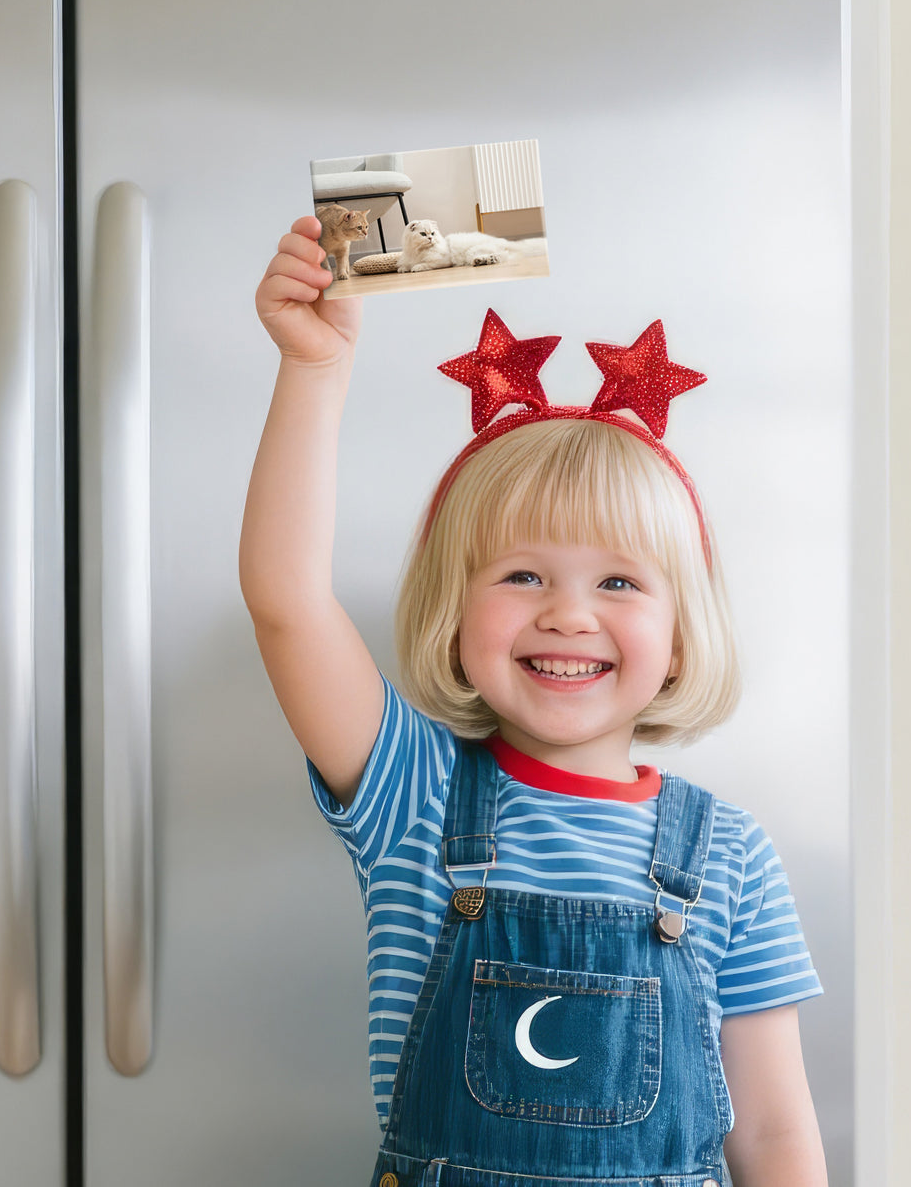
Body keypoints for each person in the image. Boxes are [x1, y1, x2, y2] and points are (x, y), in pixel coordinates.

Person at [240, 216, 828, 1187]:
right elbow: (285, 602)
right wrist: (312, 367)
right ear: (452, 607)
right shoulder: (409, 794)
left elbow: (771, 1134)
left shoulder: (730, 858)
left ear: (680, 635)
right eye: (520, 574)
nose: (566, 614)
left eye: (618, 583)